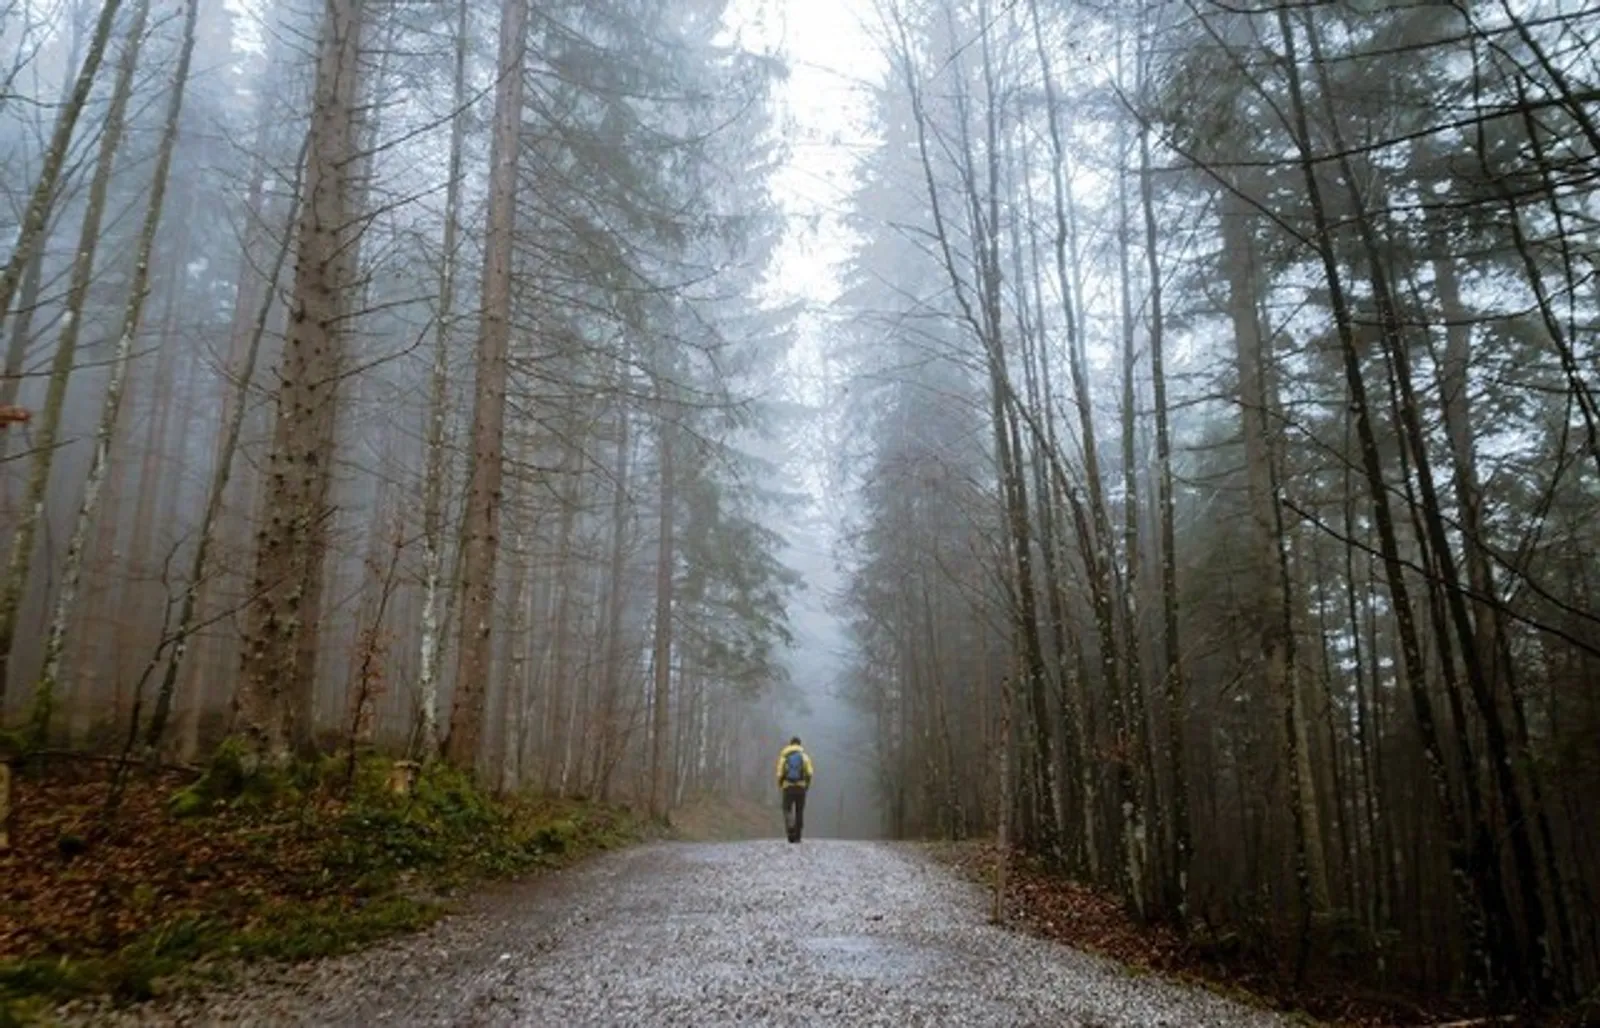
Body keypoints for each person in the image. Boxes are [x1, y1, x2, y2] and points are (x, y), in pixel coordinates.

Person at [775, 736, 813, 843]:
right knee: (799, 811)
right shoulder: (804, 756)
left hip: (788, 787)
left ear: (790, 744)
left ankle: (790, 827)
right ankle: (798, 836)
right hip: (801, 787)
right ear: (799, 745)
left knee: (787, 809)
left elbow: (779, 773)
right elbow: (810, 772)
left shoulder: (784, 757)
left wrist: (781, 784)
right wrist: (807, 785)